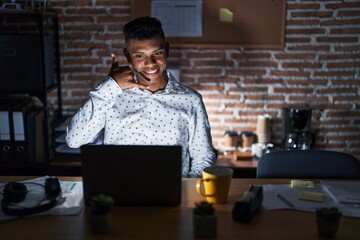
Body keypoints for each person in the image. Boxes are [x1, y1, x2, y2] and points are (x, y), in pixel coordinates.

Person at [66, 16, 215, 177]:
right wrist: (110, 85)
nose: (150, 63)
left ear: (167, 50)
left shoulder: (191, 100)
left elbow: (203, 157)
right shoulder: (111, 95)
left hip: (172, 195)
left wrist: (188, 192)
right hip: (118, 193)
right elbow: (74, 140)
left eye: (157, 53)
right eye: (140, 55)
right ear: (128, 56)